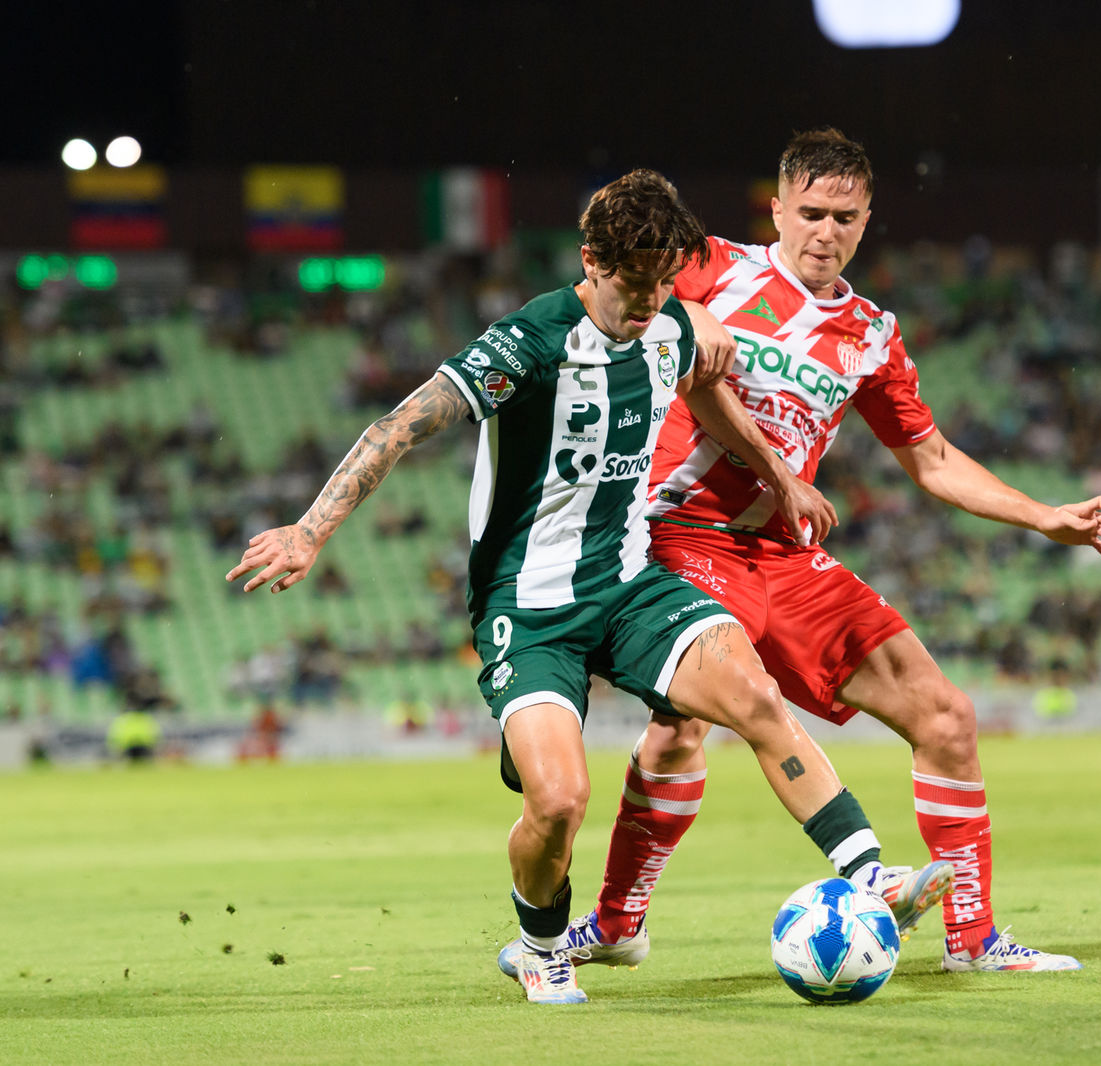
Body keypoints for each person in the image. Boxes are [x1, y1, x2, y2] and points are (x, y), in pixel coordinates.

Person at [225, 170, 950, 1005]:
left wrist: (778, 477)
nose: (649, 302)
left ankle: (868, 875)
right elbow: (400, 425)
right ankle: (539, 944)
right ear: (591, 261)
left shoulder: (672, 323)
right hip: (529, 610)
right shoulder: (529, 342)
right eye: (633, 284)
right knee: (561, 800)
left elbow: (707, 394)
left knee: (754, 695)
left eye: (664, 283)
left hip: (630, 582)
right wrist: (309, 529)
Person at [565, 130, 1101, 975]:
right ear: (778, 209)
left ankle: (972, 939)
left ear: (868, 222)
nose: (825, 232)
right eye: (812, 213)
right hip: (675, 533)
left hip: (783, 554)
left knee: (945, 715)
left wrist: (1041, 516)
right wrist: (690, 309)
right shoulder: (711, 266)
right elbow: (608, 292)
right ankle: (619, 922)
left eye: (846, 218)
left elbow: (931, 460)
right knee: (684, 724)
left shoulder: (870, 333)